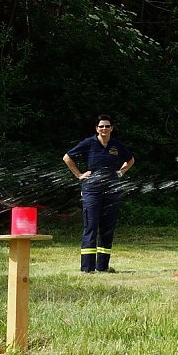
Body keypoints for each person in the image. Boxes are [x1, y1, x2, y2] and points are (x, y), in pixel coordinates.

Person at [63, 115, 135, 273]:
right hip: (92, 190)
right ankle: (87, 269)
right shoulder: (89, 143)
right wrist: (79, 175)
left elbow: (130, 160)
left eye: (107, 126)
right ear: (96, 128)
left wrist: (121, 172)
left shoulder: (117, 145)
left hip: (112, 189)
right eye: (101, 126)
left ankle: (102, 266)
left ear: (111, 128)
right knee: (91, 226)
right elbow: (67, 157)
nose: (104, 129)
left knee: (107, 227)